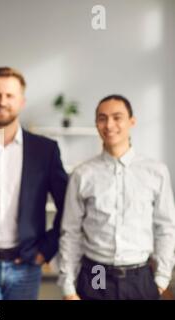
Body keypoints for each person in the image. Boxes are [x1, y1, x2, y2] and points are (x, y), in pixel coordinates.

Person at [0, 67, 68, 300]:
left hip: (26, 266)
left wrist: (45, 251)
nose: (2, 102)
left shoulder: (45, 150)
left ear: (21, 101)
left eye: (10, 96)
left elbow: (68, 206)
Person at [58, 94, 175, 300]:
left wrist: (161, 279)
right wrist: (68, 287)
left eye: (117, 117)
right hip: (97, 273)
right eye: (102, 118)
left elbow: (166, 228)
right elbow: (71, 232)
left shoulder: (156, 171)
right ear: (96, 124)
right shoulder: (82, 174)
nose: (109, 124)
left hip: (140, 277)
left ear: (132, 121)